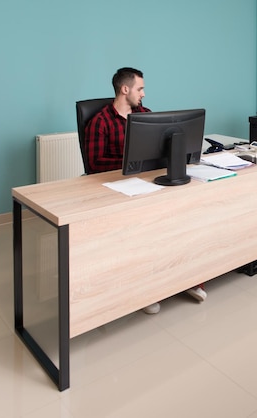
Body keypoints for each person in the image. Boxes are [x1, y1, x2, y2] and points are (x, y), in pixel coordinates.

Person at [84, 67, 207, 314]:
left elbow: (157, 152)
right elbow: (95, 163)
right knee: (147, 230)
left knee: (181, 218)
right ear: (125, 89)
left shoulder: (146, 115)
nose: (144, 94)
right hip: (116, 188)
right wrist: (132, 163)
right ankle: (146, 290)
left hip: (147, 184)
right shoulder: (100, 121)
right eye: (140, 88)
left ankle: (187, 277)